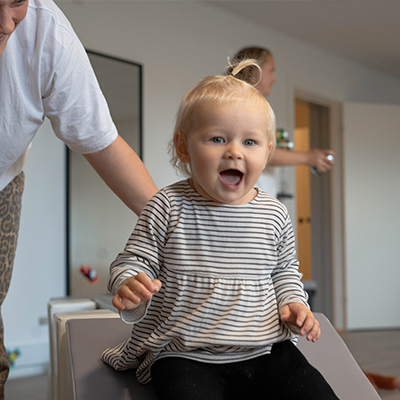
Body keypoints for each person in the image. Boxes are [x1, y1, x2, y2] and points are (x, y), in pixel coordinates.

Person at [101, 59, 339, 400]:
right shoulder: (167, 206)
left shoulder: (274, 214)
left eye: (250, 143)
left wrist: (294, 304)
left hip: (265, 348)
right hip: (186, 351)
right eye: (217, 139)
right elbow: (133, 260)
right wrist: (129, 283)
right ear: (184, 146)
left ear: (268, 152)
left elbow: (284, 272)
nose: (234, 152)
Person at [0, 0, 157, 395]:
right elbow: (124, 275)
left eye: (15, 3)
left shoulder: (47, 34)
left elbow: (102, 142)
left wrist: (177, 224)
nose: (6, 24)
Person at [227, 46, 334, 196]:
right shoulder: (241, 105)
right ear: (255, 70)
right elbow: (257, 152)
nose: (274, 79)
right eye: (271, 71)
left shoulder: (248, 105)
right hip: (246, 200)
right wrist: (308, 157)